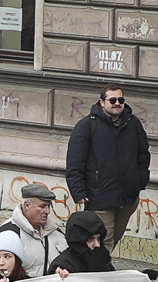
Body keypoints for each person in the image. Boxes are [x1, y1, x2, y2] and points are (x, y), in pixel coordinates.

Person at [64, 85, 150, 261]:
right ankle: (98, 274)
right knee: (105, 241)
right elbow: (74, 163)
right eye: (113, 100)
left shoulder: (133, 124)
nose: (117, 104)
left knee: (113, 240)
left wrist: (140, 182)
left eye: (121, 100)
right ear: (102, 102)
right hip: (100, 197)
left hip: (128, 196)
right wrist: (78, 192)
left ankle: (98, 269)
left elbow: (143, 154)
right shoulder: (87, 126)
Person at [0, 182, 60, 282]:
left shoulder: (55, 231)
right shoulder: (8, 233)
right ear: (27, 205)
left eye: (49, 206)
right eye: (42, 206)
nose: (48, 211)